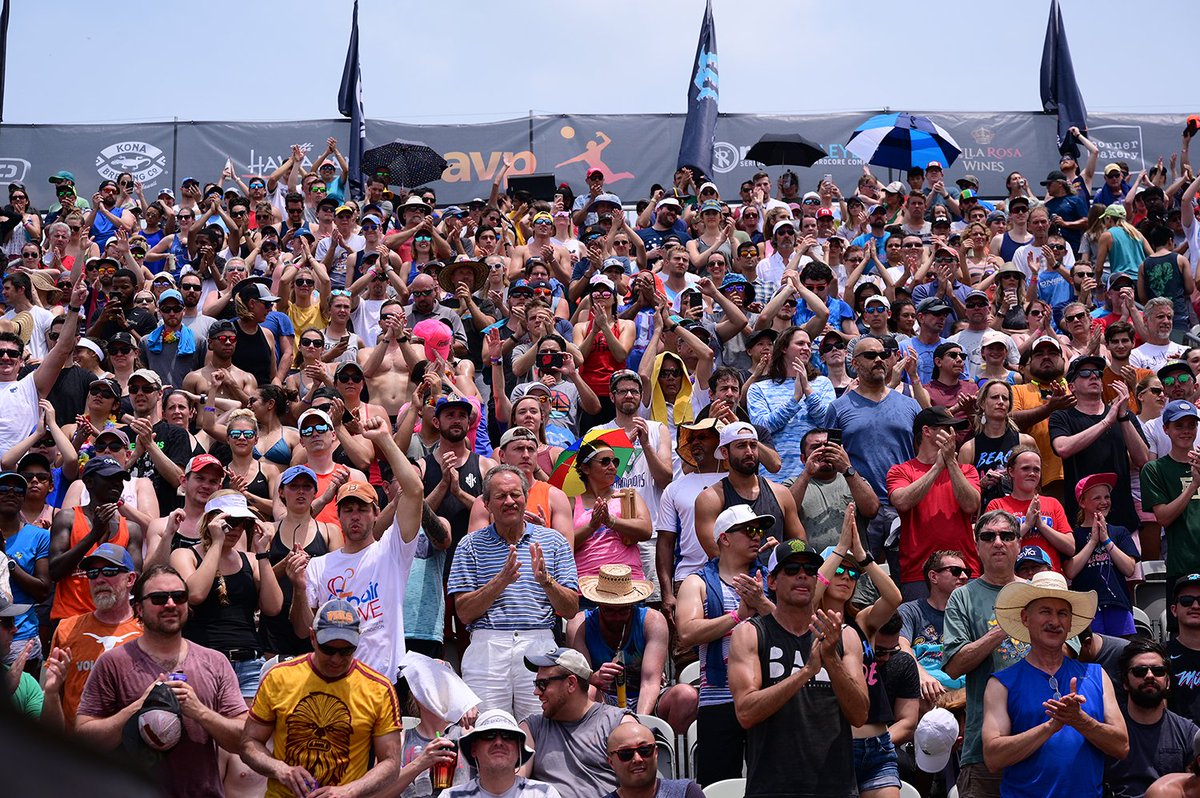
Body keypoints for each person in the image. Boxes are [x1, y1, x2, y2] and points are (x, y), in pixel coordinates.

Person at [242, 598, 451, 798]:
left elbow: (390, 762)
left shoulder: (378, 689)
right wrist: (280, 769)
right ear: (312, 637)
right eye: (328, 649)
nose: (336, 658)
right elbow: (249, 742)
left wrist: (350, 791)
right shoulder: (280, 677)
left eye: (346, 650)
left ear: (359, 639)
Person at [75, 565, 248, 798]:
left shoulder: (215, 662)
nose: (170, 604)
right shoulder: (113, 663)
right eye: (158, 598)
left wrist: (199, 712)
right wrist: (137, 708)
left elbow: (243, 741)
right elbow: (85, 740)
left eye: (179, 596)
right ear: (139, 608)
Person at [727, 538, 868, 797]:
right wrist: (806, 672)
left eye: (810, 571)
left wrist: (831, 661)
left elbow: (859, 715)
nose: (802, 575)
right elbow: (746, 712)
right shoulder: (750, 634)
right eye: (791, 569)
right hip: (772, 788)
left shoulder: (844, 636)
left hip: (835, 788)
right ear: (772, 581)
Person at [290, 417, 422, 687]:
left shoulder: (392, 551)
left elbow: (415, 490)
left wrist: (384, 439)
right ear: (338, 516)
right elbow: (303, 630)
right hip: (334, 681)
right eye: (348, 510)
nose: (355, 516)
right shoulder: (319, 565)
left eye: (362, 509)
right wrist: (299, 588)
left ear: (376, 513)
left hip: (383, 682)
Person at [449, 466, 580, 720]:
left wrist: (547, 582)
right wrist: (501, 580)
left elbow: (571, 609)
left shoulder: (553, 542)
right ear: (486, 503)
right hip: (487, 645)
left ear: (526, 496)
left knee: (539, 729)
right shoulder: (469, 545)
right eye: (500, 496)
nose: (509, 501)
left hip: (538, 643)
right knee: (486, 730)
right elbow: (463, 613)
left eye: (515, 494)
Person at [981, 570, 1128, 796]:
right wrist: (1051, 727)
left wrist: (1080, 721)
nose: (1054, 621)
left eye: (1062, 613)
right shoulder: (1002, 683)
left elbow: (1122, 746)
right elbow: (993, 757)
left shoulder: (1097, 674)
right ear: (1025, 618)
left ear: (1070, 624)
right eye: (1045, 611)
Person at [674, 504, 772, 786]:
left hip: (764, 696)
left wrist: (762, 604)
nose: (757, 536)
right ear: (724, 538)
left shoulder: (770, 579)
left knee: (769, 785)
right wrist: (738, 615)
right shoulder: (697, 582)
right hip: (718, 699)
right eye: (749, 530)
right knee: (717, 785)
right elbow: (688, 632)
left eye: (760, 531)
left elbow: (790, 628)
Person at [943, 510, 1030, 798]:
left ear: (1018, 543)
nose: (998, 542)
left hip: (1042, 741)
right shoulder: (963, 596)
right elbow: (954, 666)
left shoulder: (1038, 594)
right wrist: (1003, 627)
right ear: (977, 545)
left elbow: (1069, 650)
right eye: (988, 536)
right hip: (983, 749)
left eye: (1007, 536)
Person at [568, 564, 691, 732]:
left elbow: (650, 681)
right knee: (587, 691)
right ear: (598, 603)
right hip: (602, 699)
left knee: (686, 695)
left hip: (646, 696)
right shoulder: (579, 624)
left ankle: (662, 750)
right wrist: (595, 676)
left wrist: (636, 725)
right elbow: (582, 680)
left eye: (624, 610)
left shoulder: (652, 620)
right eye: (610, 610)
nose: (617, 617)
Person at [887, 407, 981, 600]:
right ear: (927, 431)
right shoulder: (901, 471)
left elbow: (971, 505)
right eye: (946, 428)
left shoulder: (967, 470)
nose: (953, 435)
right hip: (918, 573)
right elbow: (902, 502)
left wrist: (951, 463)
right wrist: (938, 467)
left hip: (965, 570)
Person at [44, 543, 142, 730]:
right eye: (92, 574)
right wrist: (51, 692)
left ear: (130, 579)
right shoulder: (67, 628)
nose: (99, 579)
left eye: (109, 571)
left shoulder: (148, 629)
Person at [520, 647, 637, 798]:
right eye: (536, 684)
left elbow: (640, 786)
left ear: (571, 683)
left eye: (543, 684)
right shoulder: (532, 728)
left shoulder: (617, 724)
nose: (536, 692)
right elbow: (515, 782)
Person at [1051, 355, 1149, 531]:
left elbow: (1143, 460)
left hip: (1122, 517)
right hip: (1081, 520)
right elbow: (1062, 448)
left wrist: (1122, 416)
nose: (1094, 376)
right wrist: (1105, 422)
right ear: (1071, 386)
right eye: (1085, 373)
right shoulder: (1062, 417)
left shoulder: (1124, 416)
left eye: (1097, 373)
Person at [1106, 638, 1199, 798]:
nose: (1149, 676)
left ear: (1168, 681)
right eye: (1139, 671)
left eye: (1158, 671)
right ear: (1125, 683)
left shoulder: (1188, 732)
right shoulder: (1107, 730)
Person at [1065, 473, 1140, 637]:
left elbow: (1129, 568)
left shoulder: (1120, 531)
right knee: (1092, 657)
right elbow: (1070, 571)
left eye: (1106, 497)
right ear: (1082, 502)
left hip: (1118, 605)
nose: (1104, 502)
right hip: (1087, 609)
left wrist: (1106, 540)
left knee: (1121, 654)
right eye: (1097, 498)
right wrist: (1093, 541)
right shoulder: (1073, 536)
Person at [985, 445, 1075, 573]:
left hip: (1048, 578)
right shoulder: (997, 505)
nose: (1032, 473)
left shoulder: (1053, 503)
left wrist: (1041, 525)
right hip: (1012, 579)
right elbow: (992, 546)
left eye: (1036, 470)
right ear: (1011, 471)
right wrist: (1027, 524)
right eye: (1025, 468)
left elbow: (1070, 547)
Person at [1142, 401, 1200, 599]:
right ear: (1166, 429)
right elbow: (1163, 518)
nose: (1186, 431)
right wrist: (1194, 485)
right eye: (1179, 425)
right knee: (1181, 629)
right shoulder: (1155, 469)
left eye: (1191, 425)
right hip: (1182, 566)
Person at [790, 428, 880, 554]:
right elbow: (785, 514)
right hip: (813, 567)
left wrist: (846, 468)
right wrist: (807, 474)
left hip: (852, 566)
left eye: (828, 446)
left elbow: (872, 510)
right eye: (816, 447)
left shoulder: (854, 480)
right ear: (803, 459)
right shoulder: (792, 484)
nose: (824, 450)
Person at [898, 550, 970, 704]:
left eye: (967, 572)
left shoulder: (971, 613)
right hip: (927, 691)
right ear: (933, 577)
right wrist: (921, 675)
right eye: (956, 571)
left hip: (966, 690)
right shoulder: (910, 611)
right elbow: (901, 645)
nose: (964, 577)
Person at [445, 709, 559, 798]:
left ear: (519, 749)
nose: (499, 742)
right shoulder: (451, 796)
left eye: (508, 736)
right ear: (473, 749)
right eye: (489, 735)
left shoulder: (544, 794)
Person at [601, 722, 704, 798]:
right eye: (625, 753)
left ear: (656, 753)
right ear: (611, 762)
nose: (637, 759)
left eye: (644, 750)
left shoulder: (686, 793)